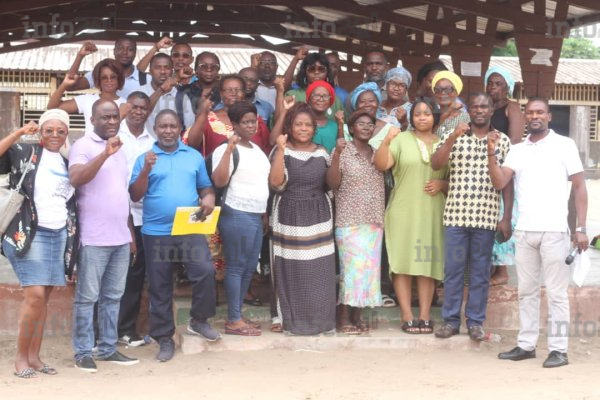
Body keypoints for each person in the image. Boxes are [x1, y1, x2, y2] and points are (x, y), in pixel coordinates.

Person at [490, 97, 588, 368]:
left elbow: (580, 186)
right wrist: (491, 153)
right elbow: (501, 182)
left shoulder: (564, 145)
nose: (535, 116)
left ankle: (559, 350)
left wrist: (580, 228)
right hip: (524, 231)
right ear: (525, 118)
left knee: (557, 294)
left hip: (554, 231)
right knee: (527, 292)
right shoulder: (517, 150)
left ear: (549, 116)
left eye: (540, 112)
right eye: (531, 112)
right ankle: (526, 345)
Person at [129, 109, 220, 362]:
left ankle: (199, 320)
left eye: (172, 126)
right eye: (162, 126)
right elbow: (135, 195)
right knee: (160, 285)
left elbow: (205, 187)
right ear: (155, 129)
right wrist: (146, 169)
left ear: (180, 129)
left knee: (205, 272)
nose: (167, 130)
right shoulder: (145, 158)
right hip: (156, 231)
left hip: (188, 227)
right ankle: (164, 337)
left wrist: (209, 198)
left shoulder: (193, 156)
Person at [0, 111, 77, 378]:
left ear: (67, 134)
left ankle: (35, 358)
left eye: (60, 131)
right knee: (34, 296)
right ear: (40, 131)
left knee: (43, 300)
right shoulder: (25, 152)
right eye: (49, 130)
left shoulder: (69, 162)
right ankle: (21, 359)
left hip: (59, 234)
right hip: (30, 234)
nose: (55, 135)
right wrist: (19, 132)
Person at [431, 93, 512, 341]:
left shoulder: (502, 140)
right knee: (453, 272)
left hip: (486, 218)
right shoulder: (454, 134)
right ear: (470, 111)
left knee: (480, 274)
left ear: (491, 110)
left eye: (484, 106)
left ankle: (475, 323)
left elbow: (507, 183)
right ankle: (451, 321)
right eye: (475, 106)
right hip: (455, 216)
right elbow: (436, 164)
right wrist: (452, 137)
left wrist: (506, 217)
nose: (479, 110)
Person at [69, 99, 137, 373]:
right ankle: (83, 352)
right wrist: (104, 155)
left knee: (113, 296)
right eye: (105, 117)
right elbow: (76, 178)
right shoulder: (82, 146)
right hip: (93, 238)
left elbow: (121, 194)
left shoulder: (120, 148)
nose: (111, 121)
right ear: (92, 120)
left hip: (120, 237)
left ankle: (108, 348)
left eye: (114, 117)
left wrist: (130, 234)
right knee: (87, 298)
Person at [374, 99, 448, 334]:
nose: (422, 117)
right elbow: (382, 164)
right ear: (412, 117)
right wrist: (386, 140)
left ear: (435, 116)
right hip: (403, 211)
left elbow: (456, 178)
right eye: (417, 114)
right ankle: (406, 315)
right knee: (403, 262)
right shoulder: (401, 139)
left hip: (432, 211)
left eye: (427, 113)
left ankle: (425, 315)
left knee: (428, 262)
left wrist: (443, 184)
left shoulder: (444, 142)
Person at [269, 102, 336, 335]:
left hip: (319, 214)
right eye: (299, 124)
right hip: (289, 214)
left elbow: (331, 183)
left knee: (319, 269)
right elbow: (276, 183)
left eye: (308, 125)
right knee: (290, 268)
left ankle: (320, 320)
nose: (304, 128)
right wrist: (280, 150)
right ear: (290, 126)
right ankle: (289, 318)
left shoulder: (322, 152)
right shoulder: (282, 149)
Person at [211, 101, 271, 336]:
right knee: (236, 267)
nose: (251, 126)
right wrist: (228, 150)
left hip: (255, 214)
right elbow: (219, 180)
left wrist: (263, 213)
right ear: (234, 124)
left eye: (253, 121)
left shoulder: (256, 149)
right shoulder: (225, 148)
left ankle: (237, 315)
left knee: (248, 267)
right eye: (245, 122)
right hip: (236, 212)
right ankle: (233, 320)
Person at [327, 110, 385, 334]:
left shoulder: (377, 153)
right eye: (361, 124)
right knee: (351, 271)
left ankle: (357, 316)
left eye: (370, 124)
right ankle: (343, 318)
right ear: (351, 128)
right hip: (349, 220)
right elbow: (332, 183)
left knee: (368, 272)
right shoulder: (343, 150)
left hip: (373, 220)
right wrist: (337, 155)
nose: (367, 127)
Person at [115, 91, 155, 347]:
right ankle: (114, 330)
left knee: (138, 275)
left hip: (145, 215)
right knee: (120, 275)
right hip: (119, 214)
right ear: (126, 108)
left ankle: (128, 329)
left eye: (143, 108)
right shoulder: (115, 136)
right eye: (134, 107)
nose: (139, 111)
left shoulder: (154, 140)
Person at [485, 66, 526, 286]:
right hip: (485, 169)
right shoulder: (484, 107)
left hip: (505, 168)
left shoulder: (512, 108)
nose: (493, 87)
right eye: (490, 83)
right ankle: (491, 266)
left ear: (507, 87)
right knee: (488, 216)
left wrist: (502, 165)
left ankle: (502, 271)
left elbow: (515, 141)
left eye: (498, 84)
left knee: (502, 215)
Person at [186, 74, 272, 156]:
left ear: (244, 93)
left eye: (238, 90)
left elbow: (266, 148)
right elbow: (192, 144)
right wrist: (203, 113)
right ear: (221, 94)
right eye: (228, 90)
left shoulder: (255, 119)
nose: (233, 93)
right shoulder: (208, 118)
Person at [48, 58, 127, 134]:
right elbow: (53, 107)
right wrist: (64, 85)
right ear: (98, 80)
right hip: (89, 143)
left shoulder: (126, 104)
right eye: (104, 78)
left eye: (113, 77)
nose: (109, 80)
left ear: (119, 79)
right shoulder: (87, 99)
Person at [64, 38, 149, 97]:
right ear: (114, 51)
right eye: (120, 48)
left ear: (135, 53)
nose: (125, 52)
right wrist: (80, 56)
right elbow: (70, 86)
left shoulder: (147, 79)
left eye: (130, 49)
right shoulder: (101, 73)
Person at [139, 53, 195, 136]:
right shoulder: (140, 92)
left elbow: (189, 131)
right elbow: (141, 113)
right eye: (158, 67)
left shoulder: (181, 97)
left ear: (172, 71)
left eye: (167, 68)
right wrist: (161, 89)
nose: (162, 71)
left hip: (172, 144)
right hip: (144, 143)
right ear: (150, 71)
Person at [285, 52, 344, 119]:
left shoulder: (336, 100)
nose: (316, 72)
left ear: (327, 72)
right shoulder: (292, 95)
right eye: (312, 69)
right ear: (304, 72)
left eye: (321, 69)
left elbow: (343, 124)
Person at [432, 71, 470, 138]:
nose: (443, 93)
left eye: (448, 89)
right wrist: (446, 114)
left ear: (456, 93)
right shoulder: (430, 115)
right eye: (438, 89)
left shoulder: (466, 118)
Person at [306, 80, 339, 153]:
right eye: (316, 96)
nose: (321, 99)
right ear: (309, 100)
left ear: (330, 102)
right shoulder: (303, 124)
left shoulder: (335, 126)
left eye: (325, 96)